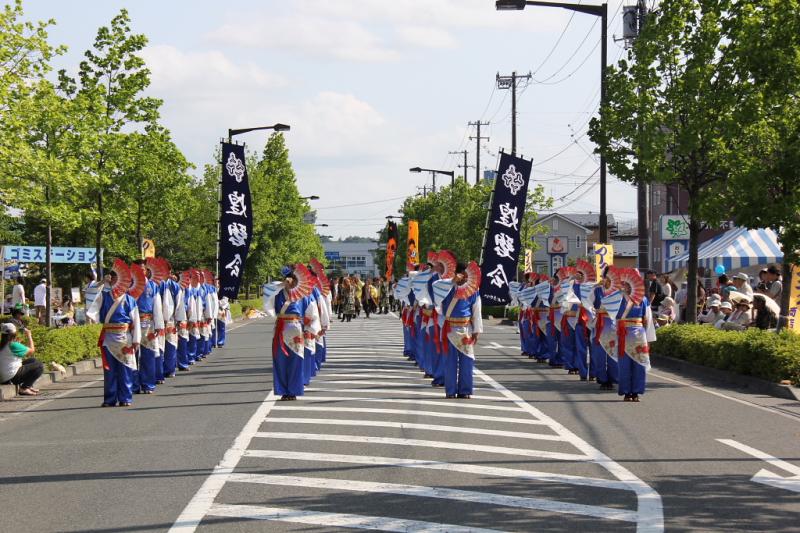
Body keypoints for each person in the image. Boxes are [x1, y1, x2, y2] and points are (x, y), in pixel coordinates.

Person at [86, 266, 142, 407]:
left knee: (125, 369)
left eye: (121, 279)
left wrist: (136, 340)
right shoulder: (103, 296)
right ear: (111, 280)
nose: (118, 282)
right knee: (109, 370)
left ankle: (125, 398)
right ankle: (110, 399)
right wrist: (100, 283)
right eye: (115, 278)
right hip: (108, 338)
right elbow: (89, 296)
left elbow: (136, 321)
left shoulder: (130, 300)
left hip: (125, 338)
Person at [439, 262, 482, 399]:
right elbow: (436, 298)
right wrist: (452, 282)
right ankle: (450, 391)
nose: (463, 277)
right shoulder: (446, 286)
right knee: (450, 361)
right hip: (449, 329)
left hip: (466, 330)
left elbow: (477, 311)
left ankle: (465, 390)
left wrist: (476, 330)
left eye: (465, 275)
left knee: (467, 360)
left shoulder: (473, 290)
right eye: (461, 274)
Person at [615, 269, 655, 402]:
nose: (627, 286)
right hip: (623, 335)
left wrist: (648, 339)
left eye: (629, 283)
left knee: (639, 364)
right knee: (624, 365)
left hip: (639, 335)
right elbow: (612, 318)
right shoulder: (617, 299)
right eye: (625, 283)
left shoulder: (643, 300)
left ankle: (636, 392)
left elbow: (647, 320)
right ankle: (626, 392)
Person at [0, 322, 43, 396]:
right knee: (39, 366)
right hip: (12, 376)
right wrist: (29, 335)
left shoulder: (2, 344)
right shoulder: (13, 345)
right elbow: (32, 350)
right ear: (14, 333)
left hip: (3, 377)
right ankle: (24, 388)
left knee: (33, 360)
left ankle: (29, 386)